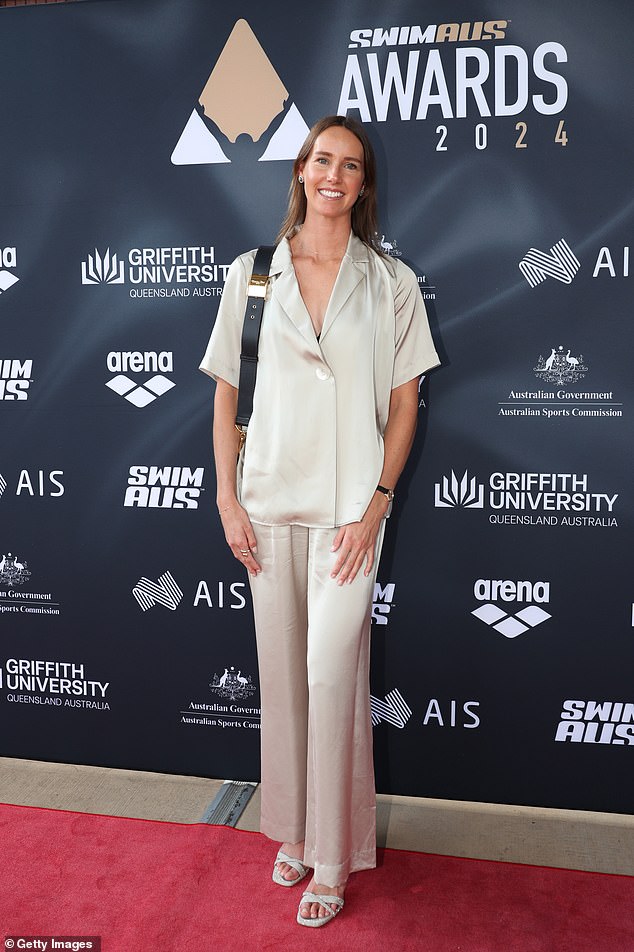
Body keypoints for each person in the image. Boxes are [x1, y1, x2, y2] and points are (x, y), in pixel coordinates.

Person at [200, 115, 439, 927]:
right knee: (285, 686)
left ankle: (333, 859)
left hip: (347, 520)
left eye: (352, 166)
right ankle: (294, 832)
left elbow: (405, 403)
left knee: (334, 679)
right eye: (323, 159)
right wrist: (228, 497)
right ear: (301, 170)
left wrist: (377, 503)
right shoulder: (252, 275)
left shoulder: (389, 282)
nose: (335, 174)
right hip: (266, 508)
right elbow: (227, 393)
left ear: (364, 185)